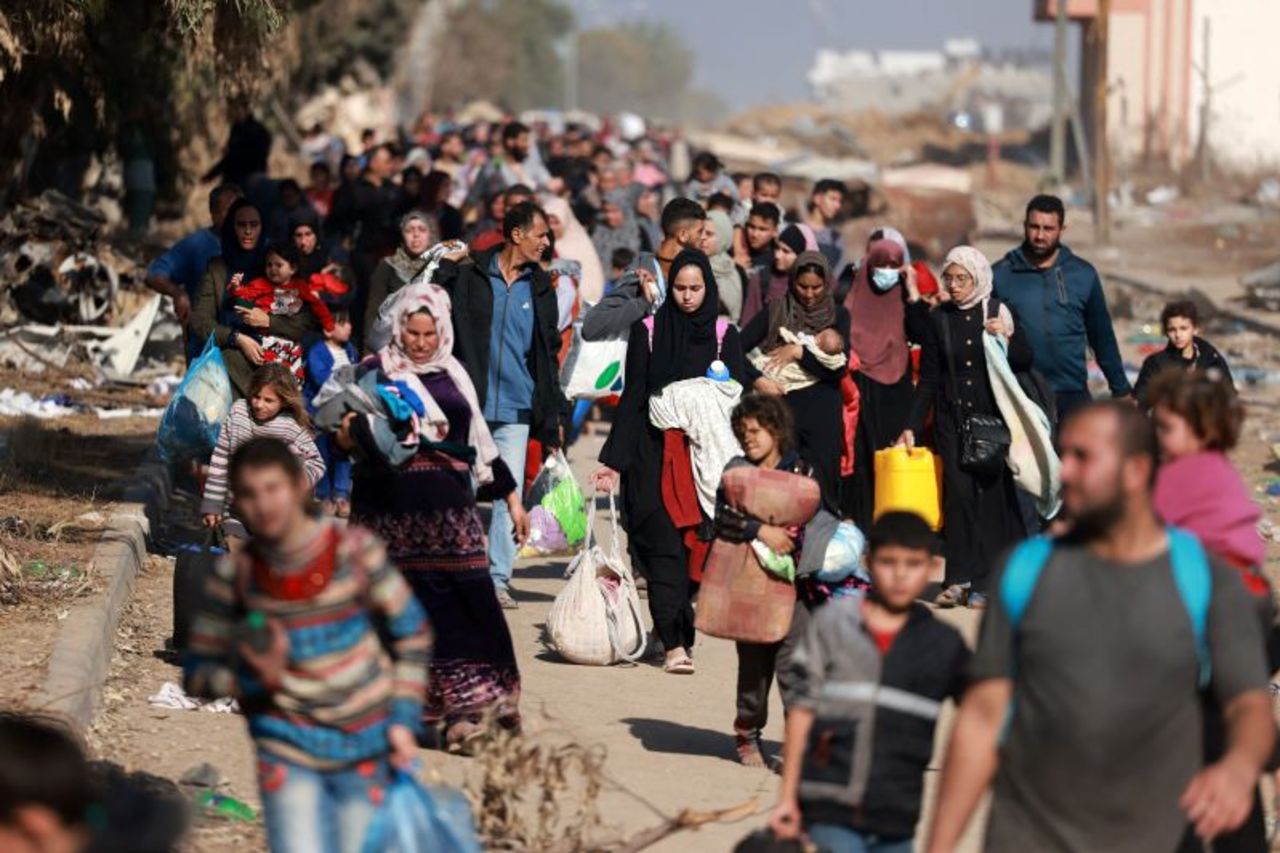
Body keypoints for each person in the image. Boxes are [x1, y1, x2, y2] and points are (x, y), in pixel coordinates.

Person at [926, 401, 1274, 853]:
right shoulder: (1025, 570)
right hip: (1029, 836)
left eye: (1082, 456)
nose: (1064, 469)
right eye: (1063, 453)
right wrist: (940, 845)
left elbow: (1249, 703)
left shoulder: (1206, 578)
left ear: (1136, 470)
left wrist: (1240, 768)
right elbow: (982, 716)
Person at [185, 437, 430, 853]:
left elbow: (413, 632)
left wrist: (404, 720)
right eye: (248, 494)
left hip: (364, 743)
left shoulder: (354, 553)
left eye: (273, 488)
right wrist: (248, 675)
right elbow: (197, 674)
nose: (263, 505)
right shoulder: (237, 577)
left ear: (301, 486)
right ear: (236, 504)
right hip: (286, 748)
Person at [336, 284, 527, 749]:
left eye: (428, 333)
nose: (420, 342)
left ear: (441, 330)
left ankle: (468, 712)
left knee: (469, 609)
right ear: (398, 328)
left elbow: (480, 444)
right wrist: (359, 430)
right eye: (412, 332)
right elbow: (339, 433)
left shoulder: (454, 373)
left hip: (448, 516)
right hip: (388, 518)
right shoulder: (373, 373)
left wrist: (513, 500)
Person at [769, 511, 968, 852]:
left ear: (933, 567)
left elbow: (981, 715)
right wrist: (787, 798)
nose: (900, 574)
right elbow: (801, 711)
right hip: (831, 808)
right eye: (889, 562)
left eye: (913, 563)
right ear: (867, 563)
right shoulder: (833, 624)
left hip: (898, 816)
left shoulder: (943, 645)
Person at [591, 249, 747, 675]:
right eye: (679, 288)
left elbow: (737, 401)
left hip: (703, 462)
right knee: (662, 551)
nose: (688, 297)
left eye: (696, 288)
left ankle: (669, 626)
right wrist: (614, 462)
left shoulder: (723, 335)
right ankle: (677, 645)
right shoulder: (649, 330)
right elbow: (635, 396)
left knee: (696, 551)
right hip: (652, 455)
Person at [433, 201, 565, 609]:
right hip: (468, 405)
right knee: (462, 490)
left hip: (517, 407)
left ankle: (498, 579)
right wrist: (447, 267)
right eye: (540, 234)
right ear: (516, 235)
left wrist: (552, 415)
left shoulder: (541, 288)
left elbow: (548, 351)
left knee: (509, 497)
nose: (546, 242)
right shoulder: (473, 274)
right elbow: (435, 302)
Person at [898, 246, 1029, 609]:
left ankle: (986, 583)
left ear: (978, 278)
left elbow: (1025, 359)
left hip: (991, 422)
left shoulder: (997, 311)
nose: (954, 286)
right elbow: (929, 379)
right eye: (949, 278)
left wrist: (1007, 337)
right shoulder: (940, 318)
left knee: (989, 500)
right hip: (951, 421)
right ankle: (957, 579)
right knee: (958, 499)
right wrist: (911, 424)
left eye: (962, 279)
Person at [715, 394, 822, 767]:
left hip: (797, 588)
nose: (749, 439)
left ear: (776, 430)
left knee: (797, 666)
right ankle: (747, 733)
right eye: (742, 433)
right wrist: (760, 530)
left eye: (756, 431)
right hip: (751, 584)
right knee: (755, 668)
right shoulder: (735, 473)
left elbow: (818, 518)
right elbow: (721, 521)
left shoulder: (803, 472)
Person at [992, 194, 1131, 418]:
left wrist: (1121, 388)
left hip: (1072, 392)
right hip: (1021, 393)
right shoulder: (1001, 274)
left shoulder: (1082, 274)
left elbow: (1101, 335)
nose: (1039, 235)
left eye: (1048, 229)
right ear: (1024, 226)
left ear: (1061, 230)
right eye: (1034, 227)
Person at [742, 251, 850, 512]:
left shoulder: (838, 316)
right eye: (803, 286)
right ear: (792, 282)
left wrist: (800, 352)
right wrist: (758, 380)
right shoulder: (776, 312)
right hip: (782, 410)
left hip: (822, 416)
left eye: (817, 287)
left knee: (822, 487)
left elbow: (838, 370)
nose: (810, 294)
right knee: (782, 482)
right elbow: (735, 348)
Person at [191, 200, 317, 398]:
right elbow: (200, 321)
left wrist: (268, 321)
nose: (248, 231)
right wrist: (236, 338)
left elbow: (300, 322)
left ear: (262, 227)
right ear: (232, 228)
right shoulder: (217, 269)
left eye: (254, 225)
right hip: (228, 356)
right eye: (242, 225)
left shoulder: (273, 267)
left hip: (275, 359)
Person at [843, 229, 917, 528]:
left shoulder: (904, 298)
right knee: (860, 463)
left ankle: (893, 529)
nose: (886, 272)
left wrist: (913, 293)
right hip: (859, 386)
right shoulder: (852, 294)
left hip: (895, 389)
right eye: (880, 265)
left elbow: (924, 332)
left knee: (892, 461)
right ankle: (863, 532)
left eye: (893, 265)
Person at [201, 363, 324, 533]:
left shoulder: (289, 428)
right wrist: (213, 504)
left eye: (269, 400)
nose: (259, 404)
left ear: (283, 400)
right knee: (237, 552)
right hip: (237, 509)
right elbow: (220, 459)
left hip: (275, 517)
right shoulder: (238, 412)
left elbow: (316, 463)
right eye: (256, 397)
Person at [581, 198, 707, 341]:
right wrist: (642, 303)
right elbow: (591, 326)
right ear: (683, 235)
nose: (704, 238)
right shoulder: (643, 273)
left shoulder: (699, 271)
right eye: (700, 232)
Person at [146, 183, 243, 361]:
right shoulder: (197, 244)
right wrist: (178, 293)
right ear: (213, 213)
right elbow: (154, 274)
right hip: (206, 345)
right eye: (227, 212)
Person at [226, 244, 336, 382]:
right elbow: (245, 293)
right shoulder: (261, 283)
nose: (273, 269)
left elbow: (316, 304)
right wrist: (235, 287)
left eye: (279, 265)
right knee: (266, 373)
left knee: (288, 373)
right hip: (260, 336)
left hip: (286, 336)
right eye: (269, 265)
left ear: (293, 268)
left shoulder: (299, 287)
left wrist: (328, 323)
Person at [305, 309, 358, 517]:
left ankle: (342, 495)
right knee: (323, 452)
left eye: (349, 323)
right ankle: (324, 494)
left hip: (345, 412)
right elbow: (321, 379)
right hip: (321, 412)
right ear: (328, 329)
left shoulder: (350, 350)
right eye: (342, 323)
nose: (349, 327)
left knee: (344, 452)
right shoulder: (318, 351)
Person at [362, 211, 441, 346]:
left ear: (431, 235)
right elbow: (373, 312)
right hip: (393, 344)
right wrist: (369, 351)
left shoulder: (441, 268)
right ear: (402, 236)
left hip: (431, 344)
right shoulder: (387, 267)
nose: (415, 235)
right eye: (409, 230)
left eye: (422, 230)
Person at [1134, 300, 1235, 405]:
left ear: (1195, 329)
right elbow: (1141, 399)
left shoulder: (1211, 359)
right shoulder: (1156, 363)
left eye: (1183, 328)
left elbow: (1229, 394)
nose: (1178, 335)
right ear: (1166, 332)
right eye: (1172, 330)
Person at [543, 195, 606, 305]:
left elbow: (591, 279)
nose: (551, 227)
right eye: (548, 223)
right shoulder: (539, 245)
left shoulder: (581, 244)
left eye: (556, 223)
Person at [740, 222, 805, 327]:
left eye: (786, 251)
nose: (777, 255)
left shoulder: (809, 283)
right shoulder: (761, 279)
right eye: (777, 248)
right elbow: (748, 323)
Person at [202, 97, 272, 189]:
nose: (235, 112)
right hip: (234, 178)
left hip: (251, 178)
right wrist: (211, 175)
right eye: (233, 109)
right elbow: (230, 157)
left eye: (238, 109)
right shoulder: (236, 129)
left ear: (246, 110)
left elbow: (259, 155)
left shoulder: (258, 131)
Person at [703, 209, 745, 322]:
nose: (703, 238)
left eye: (709, 234)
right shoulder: (693, 268)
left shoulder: (736, 271)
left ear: (723, 236)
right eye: (700, 232)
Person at [591, 188, 643, 278]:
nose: (609, 216)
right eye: (606, 211)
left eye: (615, 211)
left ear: (625, 210)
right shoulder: (597, 230)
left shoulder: (639, 232)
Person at [806, 178, 846, 270]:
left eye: (840, 201)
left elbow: (838, 274)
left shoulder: (836, 238)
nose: (837, 206)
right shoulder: (795, 230)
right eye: (833, 199)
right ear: (817, 198)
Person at [420, 169, 465, 241]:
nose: (448, 190)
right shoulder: (417, 210)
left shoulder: (453, 215)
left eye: (448, 186)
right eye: (444, 186)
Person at [744, 202, 780, 274]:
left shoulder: (777, 259)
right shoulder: (737, 249)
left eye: (762, 229)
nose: (755, 234)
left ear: (775, 231)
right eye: (752, 227)